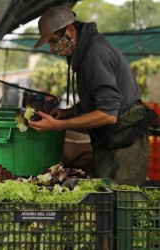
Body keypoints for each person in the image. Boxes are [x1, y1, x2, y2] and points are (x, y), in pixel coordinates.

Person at [29, 6, 157, 186]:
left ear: (71, 30)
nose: (52, 49)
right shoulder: (85, 51)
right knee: (107, 201)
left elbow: (108, 114)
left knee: (122, 202)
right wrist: (69, 112)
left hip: (124, 140)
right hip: (112, 138)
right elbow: (99, 98)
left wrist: (59, 125)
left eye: (54, 41)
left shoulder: (94, 53)